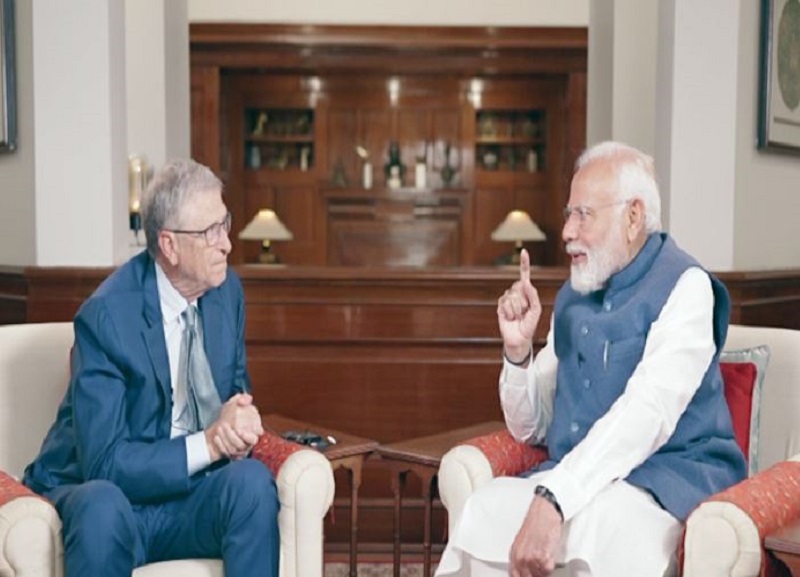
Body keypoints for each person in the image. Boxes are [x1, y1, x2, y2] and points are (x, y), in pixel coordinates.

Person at [435, 141, 746, 577]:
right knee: (486, 507)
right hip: (581, 478)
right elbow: (532, 426)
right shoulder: (575, 294)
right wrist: (518, 351)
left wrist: (555, 496)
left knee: (612, 525)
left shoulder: (687, 286)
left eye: (584, 214)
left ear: (633, 216)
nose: (566, 232)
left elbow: (647, 412)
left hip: (669, 477)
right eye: (568, 214)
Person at [23, 159, 279, 577]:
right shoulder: (106, 316)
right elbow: (104, 464)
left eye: (225, 223)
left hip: (187, 499)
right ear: (170, 245)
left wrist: (240, 423)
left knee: (251, 484)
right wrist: (211, 444)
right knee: (101, 506)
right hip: (115, 501)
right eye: (210, 232)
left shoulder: (225, 292)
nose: (227, 244)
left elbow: (235, 392)